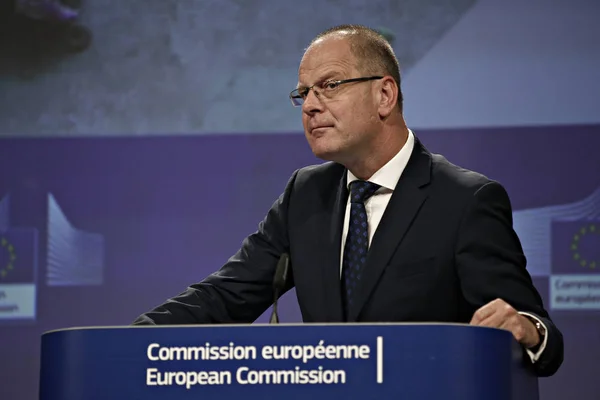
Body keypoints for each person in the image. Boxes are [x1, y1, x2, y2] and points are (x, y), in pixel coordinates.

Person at [133, 24, 563, 377]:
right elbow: (224, 297)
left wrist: (528, 329)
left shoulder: (466, 200)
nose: (310, 107)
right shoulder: (305, 194)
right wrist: (126, 340)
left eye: (330, 86)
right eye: (303, 94)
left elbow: (534, 329)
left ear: (384, 95)